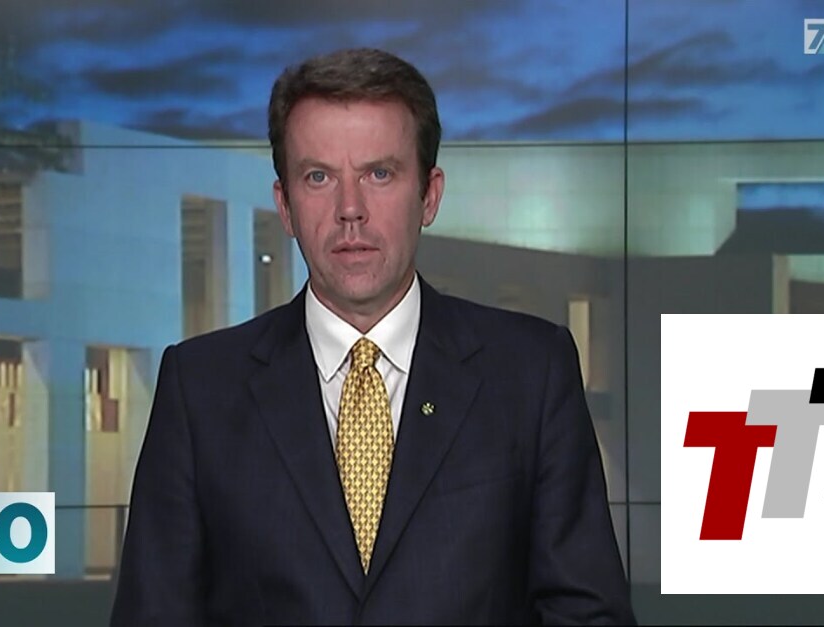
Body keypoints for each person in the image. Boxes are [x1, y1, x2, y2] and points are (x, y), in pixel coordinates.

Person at [110, 47, 636, 625]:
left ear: (429, 195)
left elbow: (588, 615)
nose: (350, 209)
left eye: (379, 174)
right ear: (284, 205)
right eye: (318, 177)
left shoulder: (531, 372)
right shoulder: (200, 389)